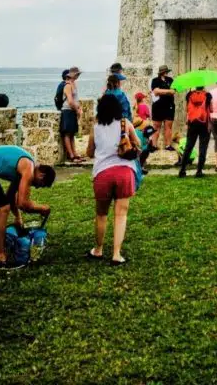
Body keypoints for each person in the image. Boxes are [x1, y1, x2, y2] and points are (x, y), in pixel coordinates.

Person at [0, 145, 54, 268]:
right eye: (41, 185)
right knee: (2, 209)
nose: (38, 187)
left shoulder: (24, 168)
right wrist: (41, 208)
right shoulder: (28, 168)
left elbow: (11, 196)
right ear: (42, 176)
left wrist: (18, 217)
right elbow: (23, 203)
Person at [86, 93, 142, 264]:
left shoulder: (95, 128)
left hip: (103, 173)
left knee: (101, 214)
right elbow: (138, 144)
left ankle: (98, 249)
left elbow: (89, 153)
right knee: (121, 214)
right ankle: (116, 254)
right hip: (125, 172)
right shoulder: (126, 124)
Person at [178, 83, 213, 177]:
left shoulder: (189, 95)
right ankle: (199, 171)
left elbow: (187, 109)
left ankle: (182, 170)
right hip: (204, 123)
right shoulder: (208, 95)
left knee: (188, 147)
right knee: (203, 147)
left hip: (192, 123)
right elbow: (212, 109)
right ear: (203, 86)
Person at [150, 64, 176, 151]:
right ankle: (154, 145)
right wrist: (168, 91)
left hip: (169, 106)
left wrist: (162, 91)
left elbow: (174, 91)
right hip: (158, 106)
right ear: (162, 72)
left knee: (168, 126)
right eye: (165, 72)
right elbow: (156, 91)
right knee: (156, 126)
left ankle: (168, 145)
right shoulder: (155, 80)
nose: (166, 73)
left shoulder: (170, 80)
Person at [60, 66, 83, 163]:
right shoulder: (68, 86)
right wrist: (77, 110)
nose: (78, 76)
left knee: (72, 133)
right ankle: (71, 155)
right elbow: (70, 101)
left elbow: (75, 99)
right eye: (77, 74)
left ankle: (75, 154)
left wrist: (78, 108)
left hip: (72, 111)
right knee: (67, 134)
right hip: (68, 111)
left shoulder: (73, 84)